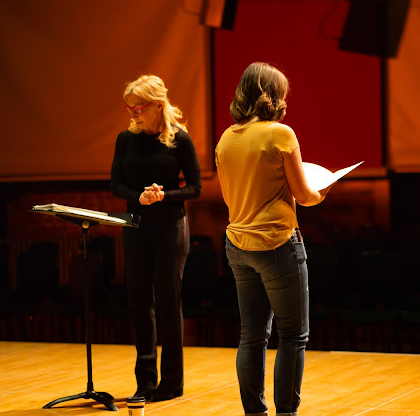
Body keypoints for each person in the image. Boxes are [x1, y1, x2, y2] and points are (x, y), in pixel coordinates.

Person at [215, 62, 332, 416]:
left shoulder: (225, 138)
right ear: (272, 96)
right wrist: (324, 189)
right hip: (277, 244)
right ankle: (286, 414)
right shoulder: (281, 134)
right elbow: (304, 195)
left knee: (251, 336)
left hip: (237, 244)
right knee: (293, 335)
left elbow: (229, 197)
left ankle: (255, 413)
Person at [111, 74, 201, 402]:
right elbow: (116, 184)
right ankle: (145, 382)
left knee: (167, 303)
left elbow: (195, 187)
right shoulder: (125, 139)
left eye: (140, 107)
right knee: (138, 303)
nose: (133, 112)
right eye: (130, 107)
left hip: (170, 229)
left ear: (158, 105)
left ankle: (171, 384)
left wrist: (164, 196)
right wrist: (139, 198)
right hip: (135, 225)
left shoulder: (180, 140)